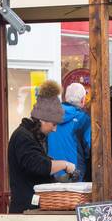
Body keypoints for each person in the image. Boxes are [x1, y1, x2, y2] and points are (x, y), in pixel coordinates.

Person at [8, 80, 76, 213]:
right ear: (43, 119)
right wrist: (65, 164)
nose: (55, 129)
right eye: (54, 124)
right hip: (26, 209)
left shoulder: (32, 136)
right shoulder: (23, 137)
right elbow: (39, 166)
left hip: (30, 207)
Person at [49, 83, 90, 180]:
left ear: (65, 98)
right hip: (75, 177)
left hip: (51, 176)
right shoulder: (83, 119)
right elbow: (91, 150)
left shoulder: (50, 117)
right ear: (83, 100)